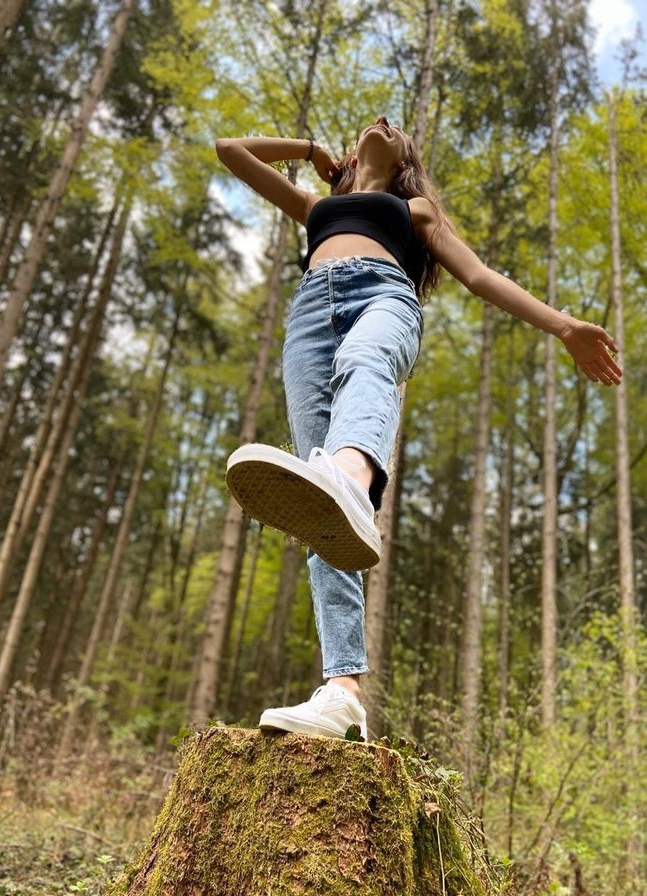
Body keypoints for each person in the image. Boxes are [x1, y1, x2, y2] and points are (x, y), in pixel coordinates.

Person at [215, 117, 622, 742]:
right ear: (349, 155)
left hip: (383, 296)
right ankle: (342, 691)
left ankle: (352, 476)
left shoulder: (415, 209)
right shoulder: (319, 202)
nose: (384, 122)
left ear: (407, 160)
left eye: (397, 127)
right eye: (371, 123)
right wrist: (310, 151)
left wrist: (565, 327)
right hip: (306, 324)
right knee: (318, 516)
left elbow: (483, 277)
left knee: (365, 367)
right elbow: (230, 150)